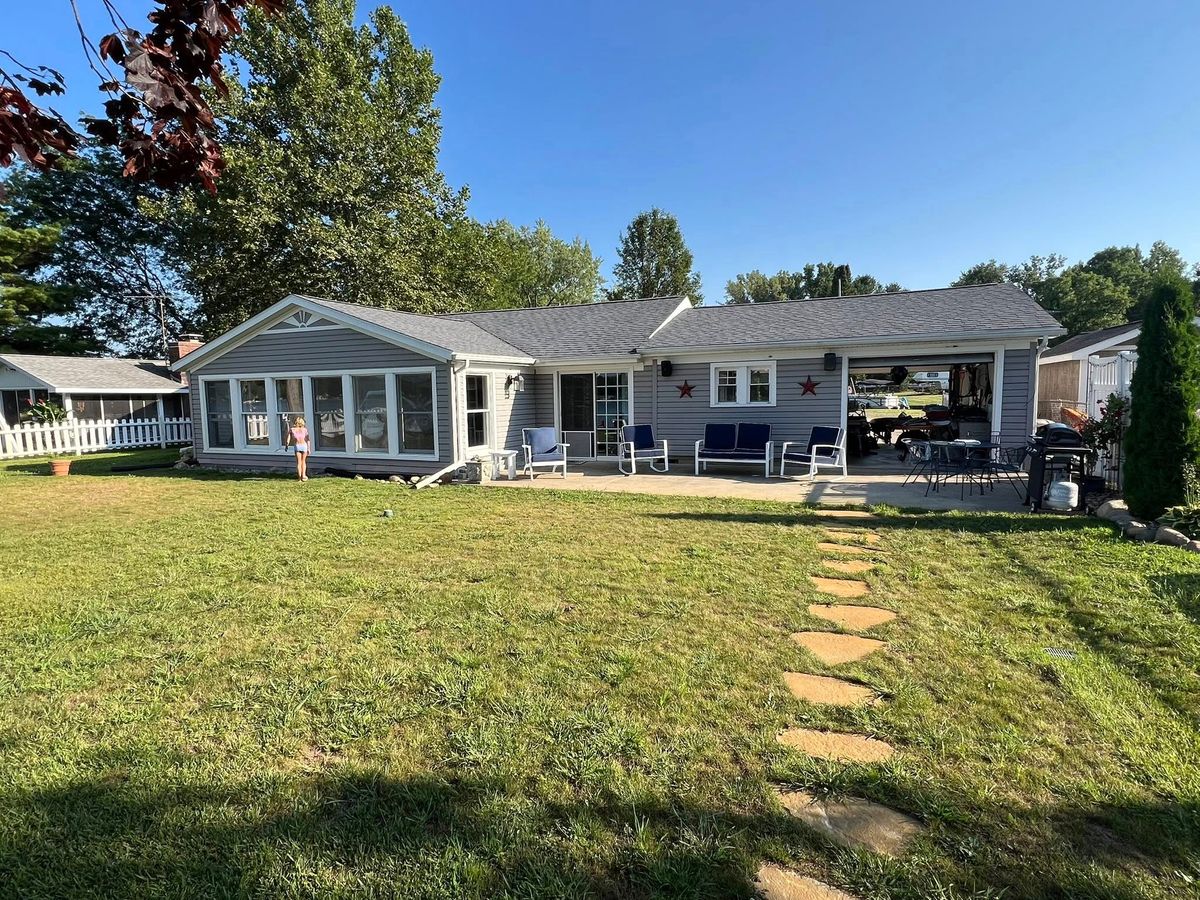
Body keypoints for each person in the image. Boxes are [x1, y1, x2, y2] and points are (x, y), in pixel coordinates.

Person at [287, 416, 310, 482]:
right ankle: (304, 475)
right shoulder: (305, 430)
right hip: (304, 446)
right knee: (304, 462)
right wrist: (309, 448)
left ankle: (299, 478)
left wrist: (286, 445)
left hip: (297, 446)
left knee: (299, 462)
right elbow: (308, 440)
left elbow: (288, 439)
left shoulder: (292, 429)